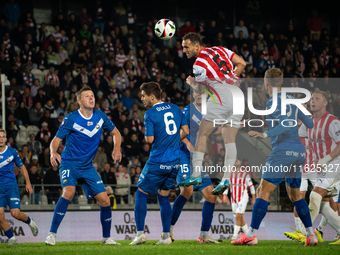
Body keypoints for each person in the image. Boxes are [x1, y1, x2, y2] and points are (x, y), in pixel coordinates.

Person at [231, 68, 317, 246]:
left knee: (263, 190)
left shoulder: (273, 101)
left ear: (266, 82)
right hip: (298, 152)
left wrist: (265, 134)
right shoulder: (293, 100)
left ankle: (251, 235)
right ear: (282, 82)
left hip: (282, 151)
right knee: (295, 196)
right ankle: (311, 235)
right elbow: (310, 122)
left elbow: (284, 124)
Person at [45, 87, 122, 246]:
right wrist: (53, 153)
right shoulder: (71, 118)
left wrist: (116, 149)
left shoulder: (100, 116)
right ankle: (51, 234)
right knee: (69, 192)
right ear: (79, 101)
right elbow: (56, 140)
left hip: (87, 167)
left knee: (105, 200)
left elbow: (116, 133)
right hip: (69, 163)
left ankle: (106, 238)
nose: (91, 98)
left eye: (92, 95)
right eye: (87, 96)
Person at [178, 32, 246, 196]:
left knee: (202, 134)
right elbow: (242, 63)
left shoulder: (198, 64)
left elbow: (203, 92)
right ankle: (226, 180)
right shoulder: (220, 49)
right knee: (229, 140)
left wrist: (191, 83)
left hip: (222, 96)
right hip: (237, 95)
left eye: (186, 47)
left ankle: (195, 176)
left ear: (196, 45)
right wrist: (230, 80)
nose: (184, 50)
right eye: (182, 47)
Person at [129, 82, 188, 245]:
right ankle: (166, 236)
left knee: (141, 193)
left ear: (152, 96)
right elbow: (186, 131)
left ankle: (140, 234)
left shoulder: (149, 114)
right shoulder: (176, 108)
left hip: (157, 160)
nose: (142, 99)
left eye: (143, 95)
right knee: (163, 196)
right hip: (174, 161)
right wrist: (173, 142)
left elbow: (150, 139)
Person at [170, 90, 220, 243]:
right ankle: (168, 230)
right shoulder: (187, 110)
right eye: (196, 93)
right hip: (183, 155)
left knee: (211, 194)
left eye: (202, 93)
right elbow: (179, 132)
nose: (199, 95)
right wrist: (189, 145)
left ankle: (204, 235)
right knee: (187, 191)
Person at [296, 91, 340, 245]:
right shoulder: (308, 123)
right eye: (312, 99)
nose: (313, 101)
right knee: (324, 205)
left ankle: (303, 232)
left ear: (325, 103)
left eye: (317, 98)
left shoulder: (332, 122)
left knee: (315, 196)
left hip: (335, 164)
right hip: (321, 167)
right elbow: (298, 139)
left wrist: (326, 158)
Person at [0, 129, 38, 245]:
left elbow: (21, 167)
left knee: (15, 214)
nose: (1, 139)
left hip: (11, 186)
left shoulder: (12, 152)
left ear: (6, 139)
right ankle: (12, 239)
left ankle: (30, 221)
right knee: (0, 217)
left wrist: (28, 182)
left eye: (2, 137)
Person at [223, 158, 255, 239]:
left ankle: (234, 236)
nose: (234, 162)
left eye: (236, 161)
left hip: (243, 198)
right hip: (234, 199)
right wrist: (224, 195)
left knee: (238, 216)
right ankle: (249, 236)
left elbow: (251, 187)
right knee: (239, 218)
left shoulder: (245, 175)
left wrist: (254, 198)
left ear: (239, 163)